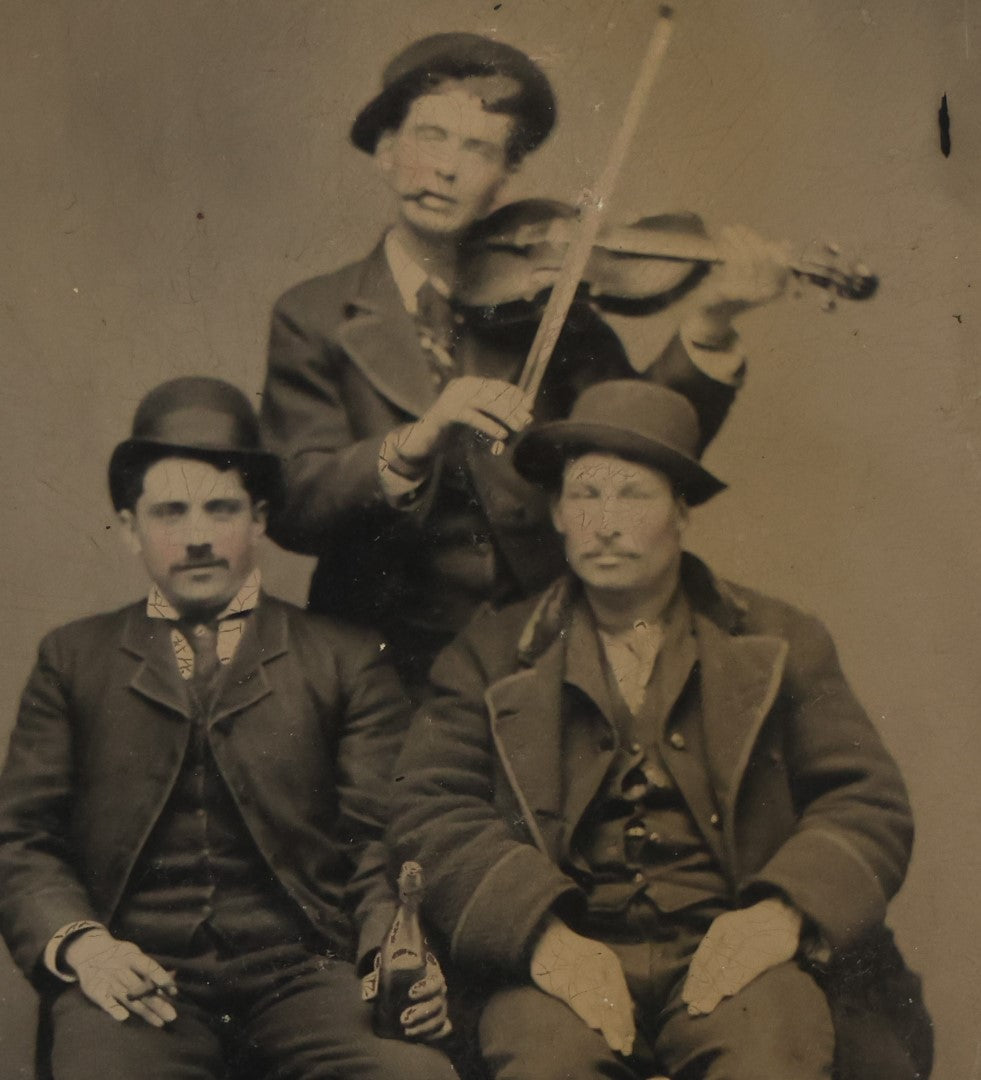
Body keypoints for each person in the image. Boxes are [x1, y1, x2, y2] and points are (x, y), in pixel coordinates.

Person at [387, 380, 932, 1080]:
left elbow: (866, 800)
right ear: (556, 512)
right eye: (585, 494)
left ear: (681, 511)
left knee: (773, 1050)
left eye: (634, 496)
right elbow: (428, 809)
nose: (605, 523)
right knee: (545, 1063)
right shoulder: (488, 654)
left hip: (735, 949)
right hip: (561, 951)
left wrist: (779, 916)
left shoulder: (779, 639)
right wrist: (542, 939)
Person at [260, 32, 789, 691]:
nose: (446, 168)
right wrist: (417, 441)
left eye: (478, 149)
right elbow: (294, 504)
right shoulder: (312, 314)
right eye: (430, 137)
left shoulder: (552, 304)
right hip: (379, 664)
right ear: (387, 151)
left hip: (539, 653)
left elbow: (641, 441)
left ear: (504, 179)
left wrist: (709, 323)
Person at [0, 377, 455, 1080]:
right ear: (130, 528)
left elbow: (380, 839)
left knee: (412, 1077)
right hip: (139, 975)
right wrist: (87, 947)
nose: (197, 538)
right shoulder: (73, 658)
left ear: (259, 519)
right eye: (170, 512)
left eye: (221, 508)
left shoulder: (344, 656)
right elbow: (22, 840)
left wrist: (389, 957)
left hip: (307, 976)